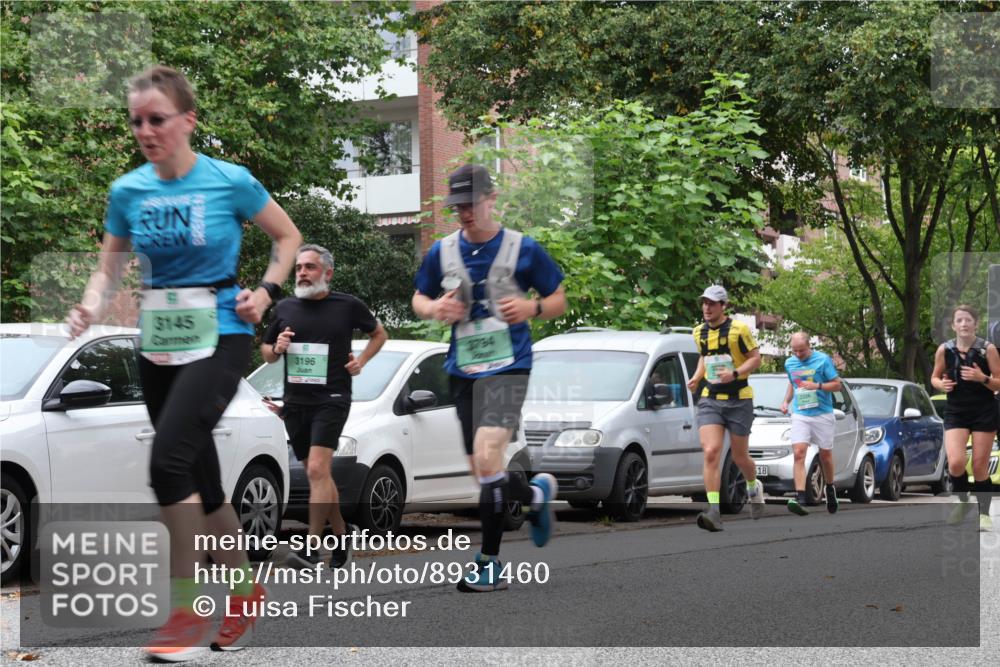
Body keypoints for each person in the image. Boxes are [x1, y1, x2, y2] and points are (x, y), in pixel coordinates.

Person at [67, 65, 302, 660]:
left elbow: (288, 238)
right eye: (137, 122)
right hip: (159, 342)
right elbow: (109, 269)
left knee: (167, 463)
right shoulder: (128, 191)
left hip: (221, 333)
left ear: (188, 120)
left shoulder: (229, 181)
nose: (146, 131)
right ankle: (245, 594)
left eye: (158, 119)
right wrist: (90, 305)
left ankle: (185, 610)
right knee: (203, 481)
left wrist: (266, 293)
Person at [411, 163, 567, 592]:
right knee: (483, 469)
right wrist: (434, 309)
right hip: (462, 369)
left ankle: (489, 563)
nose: (464, 212)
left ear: (492, 199)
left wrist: (533, 308)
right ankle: (534, 494)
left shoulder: (522, 249)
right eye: (457, 206)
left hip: (510, 365)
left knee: (486, 455)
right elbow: (419, 297)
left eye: (471, 203)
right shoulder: (442, 252)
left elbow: (558, 298)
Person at [261, 244, 387, 568]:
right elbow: (267, 352)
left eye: (310, 267)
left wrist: (361, 361)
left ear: (327, 273)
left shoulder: (347, 306)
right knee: (318, 474)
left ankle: (312, 547)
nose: (302, 273)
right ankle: (342, 534)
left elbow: (379, 334)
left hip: (331, 399)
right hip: (295, 402)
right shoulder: (285, 307)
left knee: (317, 469)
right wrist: (277, 348)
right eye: (299, 267)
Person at [685, 285, 765, 531]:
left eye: (712, 303)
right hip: (710, 398)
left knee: (740, 457)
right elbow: (705, 356)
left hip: (739, 399)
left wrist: (736, 373)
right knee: (711, 451)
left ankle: (753, 486)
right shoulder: (698, 332)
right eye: (704, 303)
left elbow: (756, 358)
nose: (707, 308)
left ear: (723, 306)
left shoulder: (739, 330)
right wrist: (696, 377)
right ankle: (714, 510)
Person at [930, 304, 1000, 532]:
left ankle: (984, 514)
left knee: (979, 466)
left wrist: (982, 378)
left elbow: (998, 382)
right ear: (953, 325)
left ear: (976, 324)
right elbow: (934, 377)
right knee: (956, 462)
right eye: (959, 320)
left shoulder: (987, 349)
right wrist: (942, 384)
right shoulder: (945, 350)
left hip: (984, 411)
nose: (963, 324)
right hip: (956, 411)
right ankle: (962, 500)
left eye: (968, 320)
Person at [780, 332, 843, 515]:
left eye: (801, 350)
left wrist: (818, 386)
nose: (798, 354)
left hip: (822, 414)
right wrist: (786, 401)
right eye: (795, 350)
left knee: (825, 456)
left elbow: (837, 385)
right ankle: (800, 497)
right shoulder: (789, 363)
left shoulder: (823, 360)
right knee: (799, 453)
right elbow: (793, 383)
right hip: (801, 414)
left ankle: (829, 488)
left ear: (809, 346)